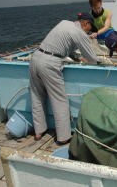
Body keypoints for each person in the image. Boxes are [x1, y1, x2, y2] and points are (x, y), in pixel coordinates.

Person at [29, 13, 99, 144]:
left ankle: (39, 131)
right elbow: (92, 58)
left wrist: (77, 58)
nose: (89, 32)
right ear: (85, 24)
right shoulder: (79, 32)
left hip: (36, 57)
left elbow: (65, 46)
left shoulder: (64, 23)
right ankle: (63, 137)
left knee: (36, 95)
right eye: (90, 28)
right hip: (49, 63)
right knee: (59, 99)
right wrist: (99, 61)